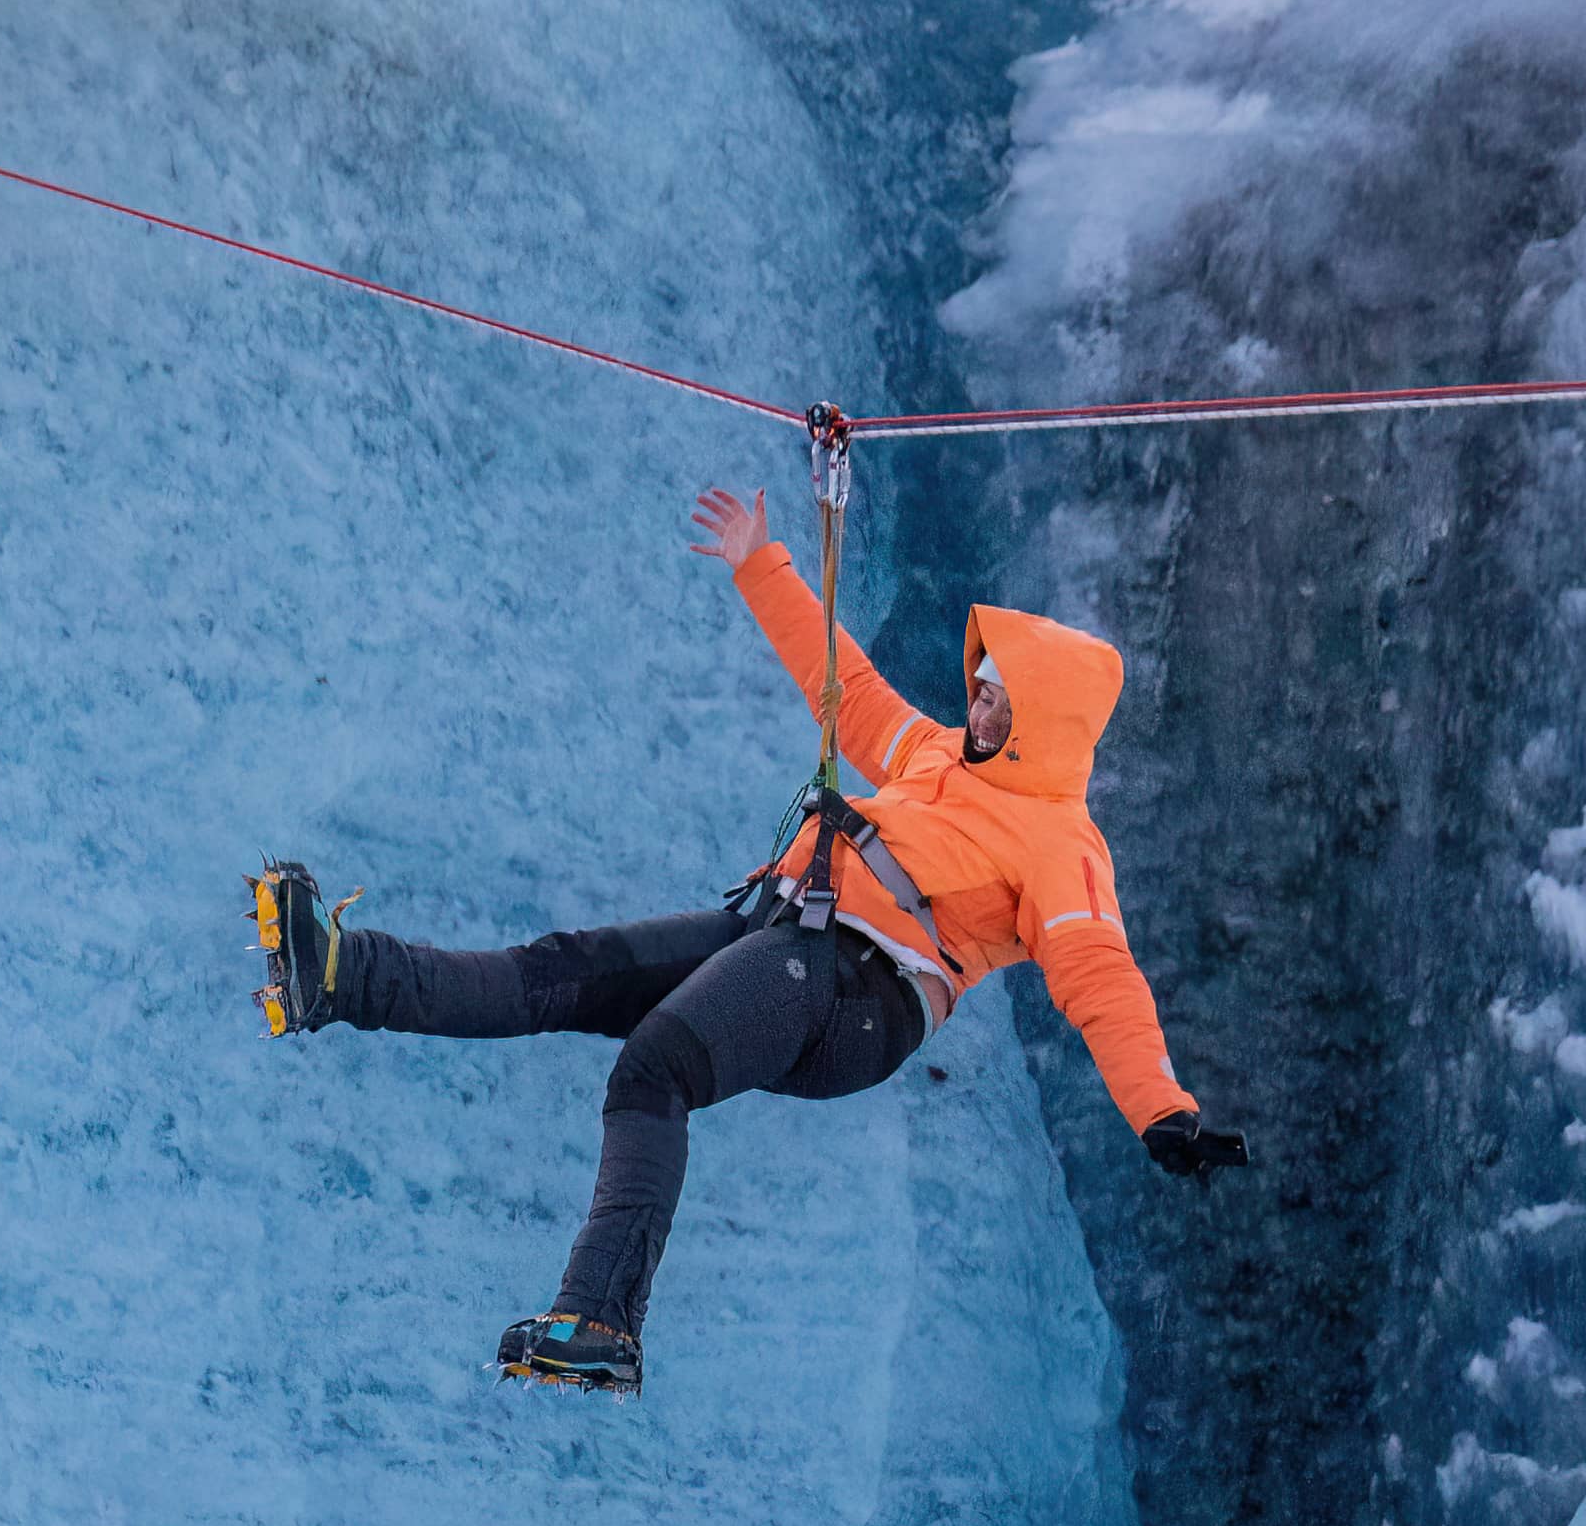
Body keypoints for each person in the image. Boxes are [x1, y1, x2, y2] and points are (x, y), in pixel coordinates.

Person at [250, 481, 1245, 1393]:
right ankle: (337, 979)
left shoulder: (1062, 844)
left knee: (656, 1069)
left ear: (1046, 720)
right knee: (563, 972)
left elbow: (1099, 978)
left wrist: (1162, 1109)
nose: (975, 698)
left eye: (997, 694)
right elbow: (846, 690)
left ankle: (602, 1323)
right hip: (781, 933)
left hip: (857, 997)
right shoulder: (935, 753)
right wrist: (759, 562)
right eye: (980, 683)